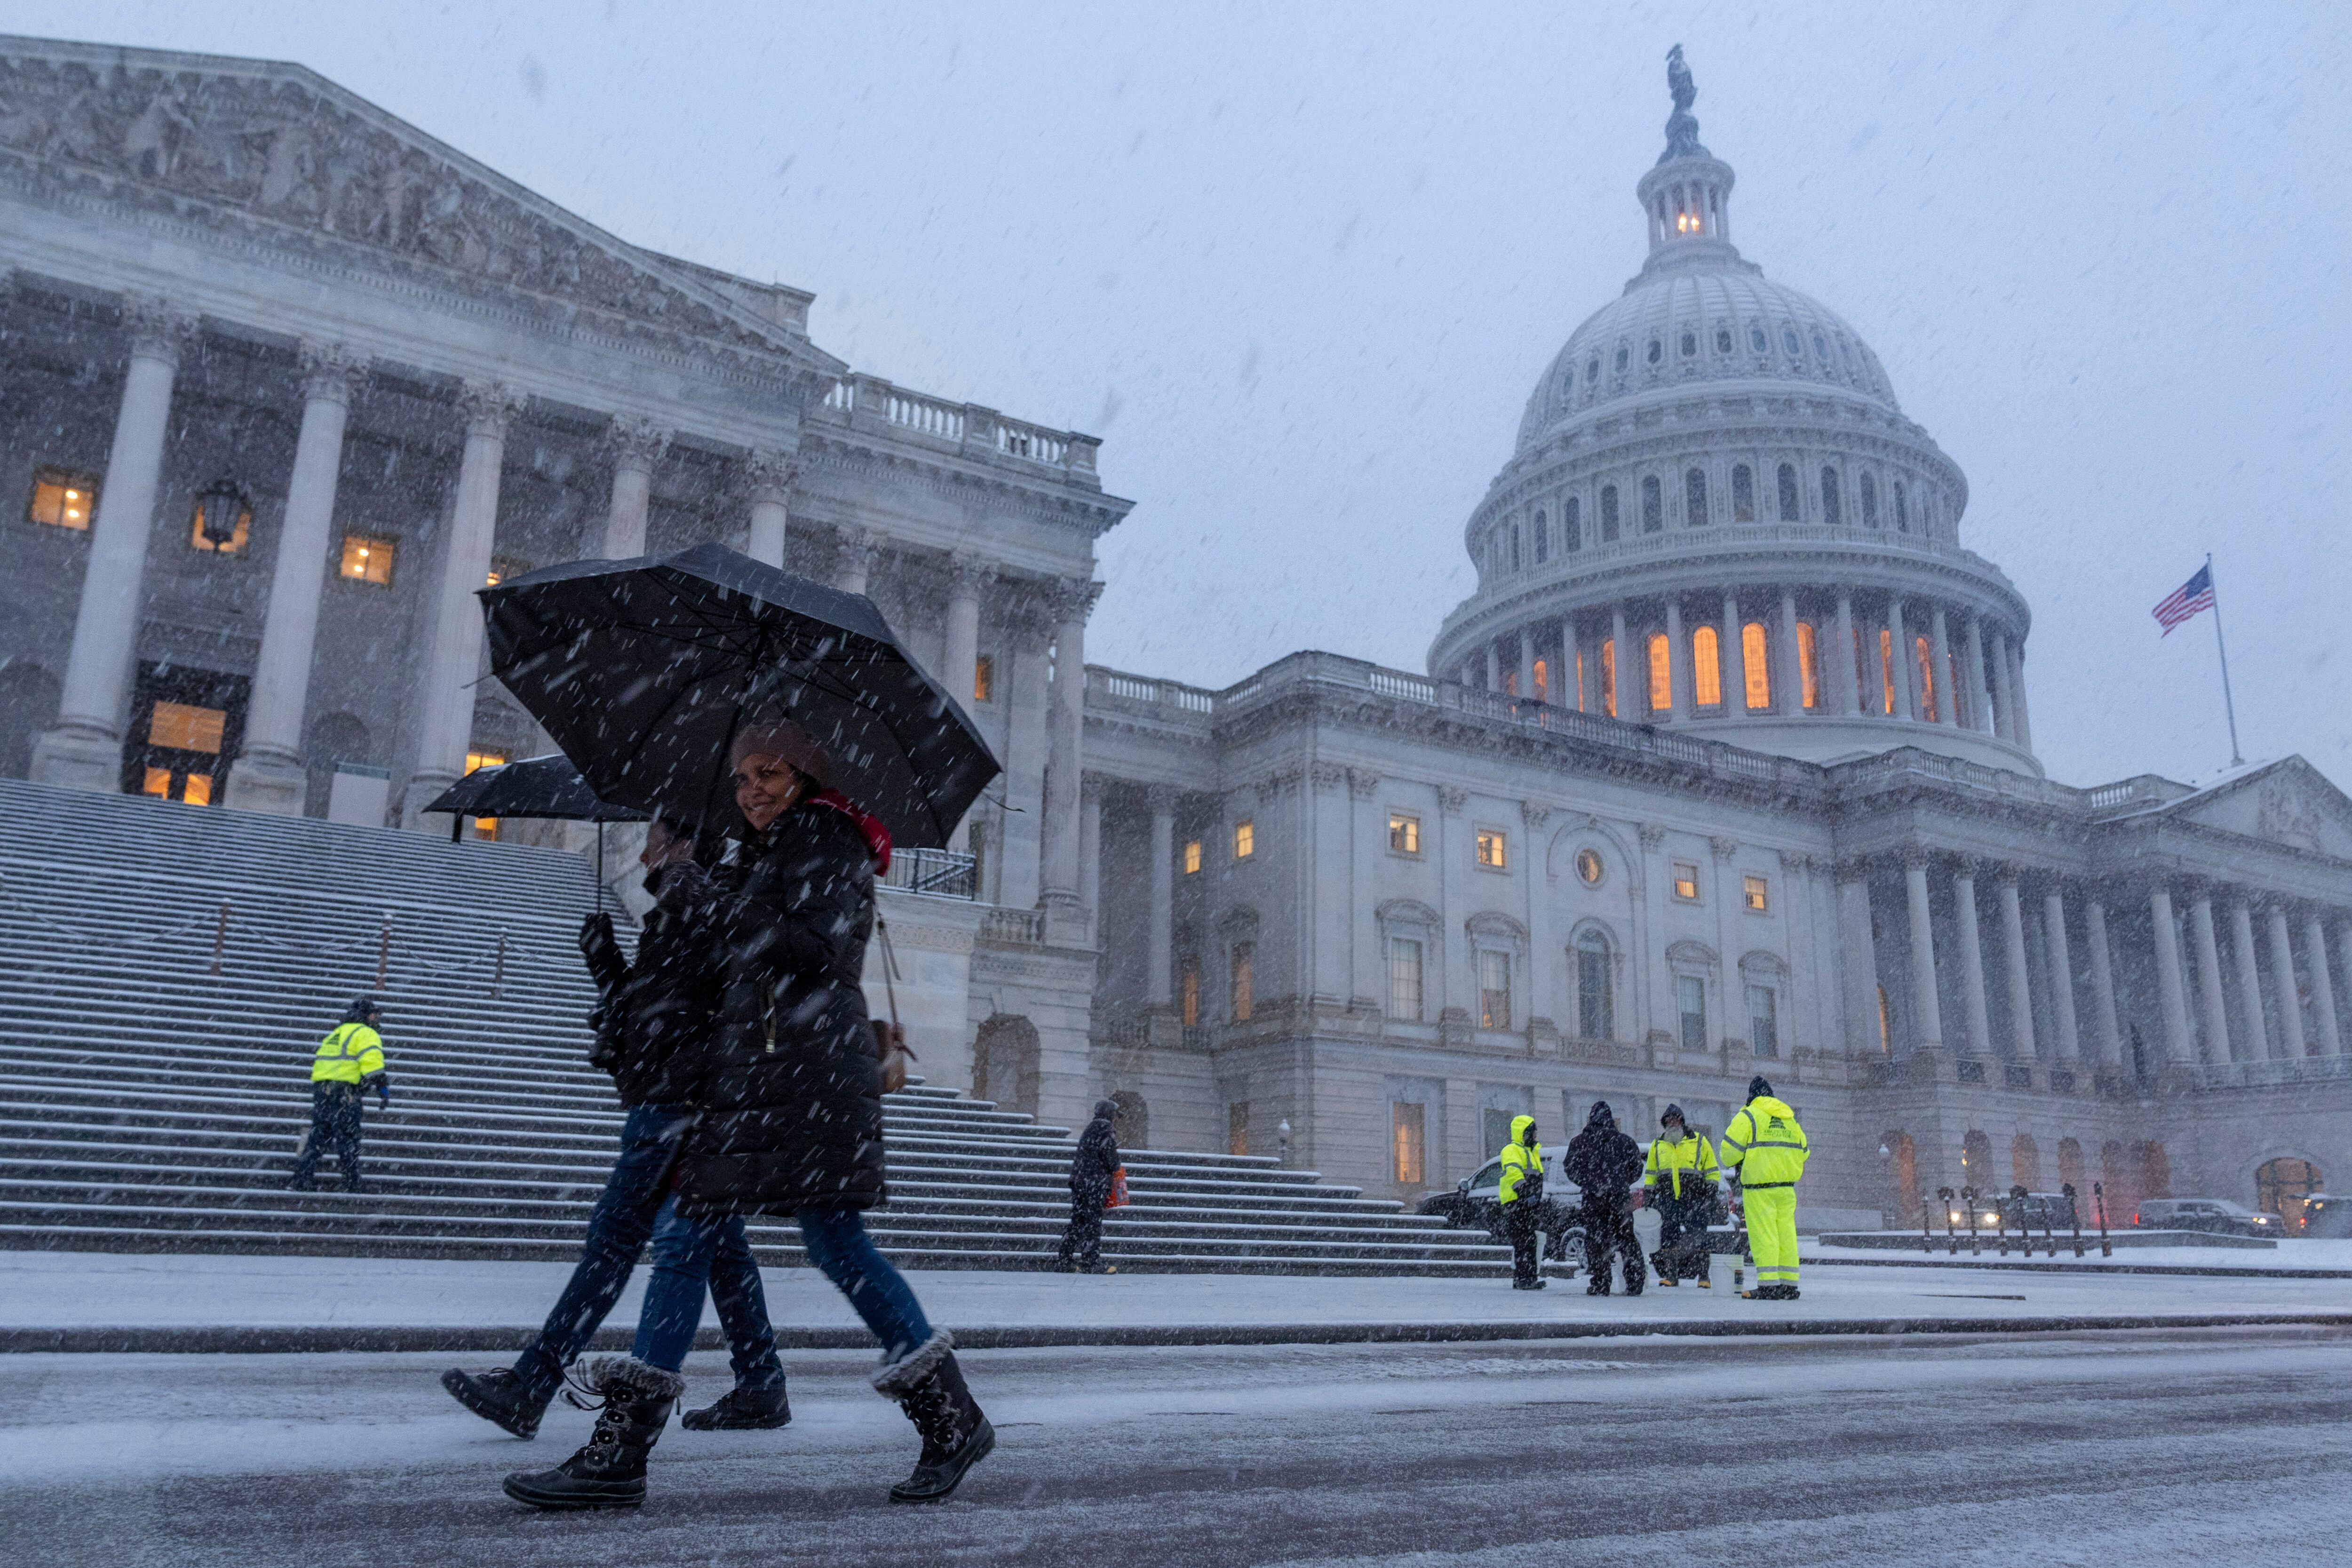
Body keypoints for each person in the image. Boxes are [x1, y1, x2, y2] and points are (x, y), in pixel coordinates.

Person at [657, 717, 993, 1507]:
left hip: (813, 1073)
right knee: (804, 1242)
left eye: (769, 772)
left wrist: (717, 899)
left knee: (827, 1244)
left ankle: (950, 1416)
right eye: (742, 777)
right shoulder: (780, 847)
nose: (751, 791)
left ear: (805, 777)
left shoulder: (826, 841)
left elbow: (816, 950)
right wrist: (690, 891)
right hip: (782, 1072)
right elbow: (751, 955)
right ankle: (948, 1416)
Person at [445, 816, 790, 1498]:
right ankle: (761, 1380)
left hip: (680, 1104)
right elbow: (656, 1005)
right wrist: (606, 962)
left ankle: (536, 1382)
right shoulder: (681, 904)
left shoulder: (708, 898)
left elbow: (710, 997)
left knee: (615, 1244)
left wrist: (684, 906)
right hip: (675, 1098)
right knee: (718, 1249)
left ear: (685, 841)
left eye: (655, 837)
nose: (642, 850)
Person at [1721, 1076, 1810, 1300]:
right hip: (1787, 1189)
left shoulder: (1748, 1116)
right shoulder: (1789, 1119)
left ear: (1752, 1096)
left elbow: (1728, 1154)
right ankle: (1789, 1286)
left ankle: (1768, 1285)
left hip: (1759, 1188)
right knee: (1786, 1235)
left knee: (1764, 1235)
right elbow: (1805, 1152)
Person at [288, 996, 389, 1192]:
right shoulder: (365, 1032)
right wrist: (382, 1088)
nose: (376, 1018)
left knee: (320, 1136)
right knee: (348, 1136)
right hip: (344, 1093)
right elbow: (373, 1062)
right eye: (374, 1014)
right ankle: (352, 1183)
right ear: (366, 1015)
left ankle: (301, 1179)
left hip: (323, 1091)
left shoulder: (337, 1033)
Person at [1564, 1102, 1644, 1296]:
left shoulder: (1580, 1142)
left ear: (1591, 1119)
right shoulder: (1625, 1142)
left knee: (1596, 1241)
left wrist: (1590, 1184)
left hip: (1594, 1199)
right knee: (1627, 1240)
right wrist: (1620, 1182)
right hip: (1620, 1198)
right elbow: (1637, 1168)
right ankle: (1634, 1282)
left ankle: (1600, 1283)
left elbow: (1570, 1169)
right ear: (1610, 1119)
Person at [1643, 1104, 1720, 1287]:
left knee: (1699, 1236)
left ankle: (1704, 1277)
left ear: (1682, 1121)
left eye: (1676, 1119)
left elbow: (1712, 1170)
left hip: (1695, 1198)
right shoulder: (1658, 1145)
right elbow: (1651, 1174)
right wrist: (1649, 1194)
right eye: (1668, 1120)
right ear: (1664, 1123)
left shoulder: (1700, 1142)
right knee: (1670, 1236)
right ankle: (1672, 1276)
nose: (1672, 1122)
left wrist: (1711, 1191)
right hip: (1669, 1199)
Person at [1057, 1098, 1121, 1273]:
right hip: (1094, 1183)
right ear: (1110, 1114)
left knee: (1078, 1221)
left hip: (1080, 1182)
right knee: (1093, 1223)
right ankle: (1090, 1262)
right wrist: (1116, 1164)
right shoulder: (1105, 1129)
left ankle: (1064, 1260)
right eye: (1115, 1115)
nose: (1116, 1118)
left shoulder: (1091, 1128)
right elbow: (1112, 1160)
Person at [1495, 1114, 1546, 1290]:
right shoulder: (1512, 1150)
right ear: (1524, 1133)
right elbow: (1514, 1174)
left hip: (1525, 1203)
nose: (1535, 1136)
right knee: (1524, 1241)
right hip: (1516, 1203)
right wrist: (1526, 1193)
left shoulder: (1530, 1151)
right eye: (1533, 1133)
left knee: (1528, 1240)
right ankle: (1524, 1279)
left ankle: (1527, 1278)